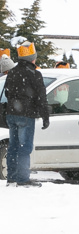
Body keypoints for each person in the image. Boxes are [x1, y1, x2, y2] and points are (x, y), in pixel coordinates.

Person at [4, 41, 49, 187]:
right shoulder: (35, 74)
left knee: (13, 146)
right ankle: (23, 179)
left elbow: (7, 92)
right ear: (32, 58)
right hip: (26, 114)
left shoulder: (12, 72)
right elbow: (42, 98)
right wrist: (45, 116)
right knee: (25, 147)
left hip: (12, 113)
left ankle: (11, 177)